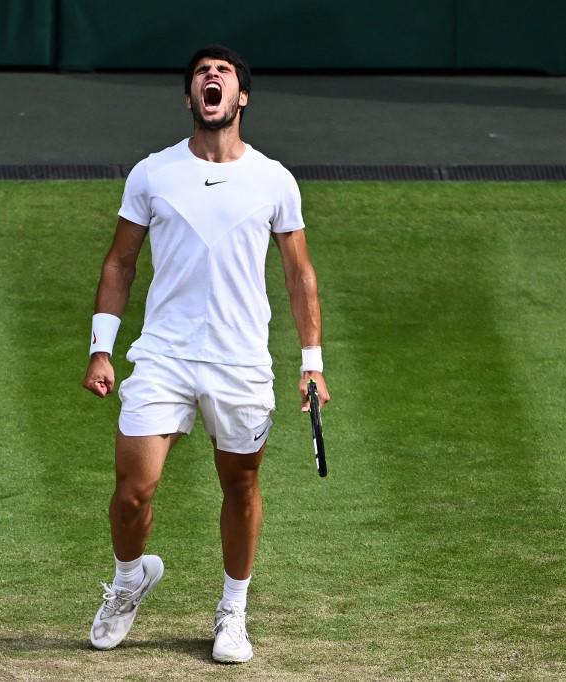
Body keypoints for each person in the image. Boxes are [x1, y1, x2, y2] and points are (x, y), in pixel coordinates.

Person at [81, 44, 330, 664]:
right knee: (134, 490)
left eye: (223, 74)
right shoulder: (152, 173)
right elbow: (120, 261)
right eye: (201, 74)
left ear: (241, 97)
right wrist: (101, 349)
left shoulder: (274, 179)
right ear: (190, 97)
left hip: (240, 362)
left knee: (240, 486)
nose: (211, 79)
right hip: (163, 357)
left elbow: (299, 275)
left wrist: (312, 362)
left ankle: (233, 611)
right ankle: (130, 577)